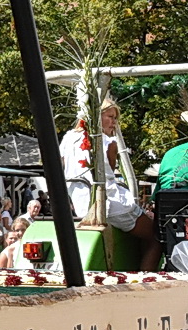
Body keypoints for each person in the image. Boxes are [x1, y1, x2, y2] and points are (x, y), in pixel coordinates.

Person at [61, 96, 163, 271]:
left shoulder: (68, 138)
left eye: (115, 118)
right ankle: (146, 277)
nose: (114, 122)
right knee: (158, 235)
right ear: (95, 117)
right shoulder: (106, 141)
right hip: (110, 204)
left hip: (81, 204)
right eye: (110, 117)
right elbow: (111, 173)